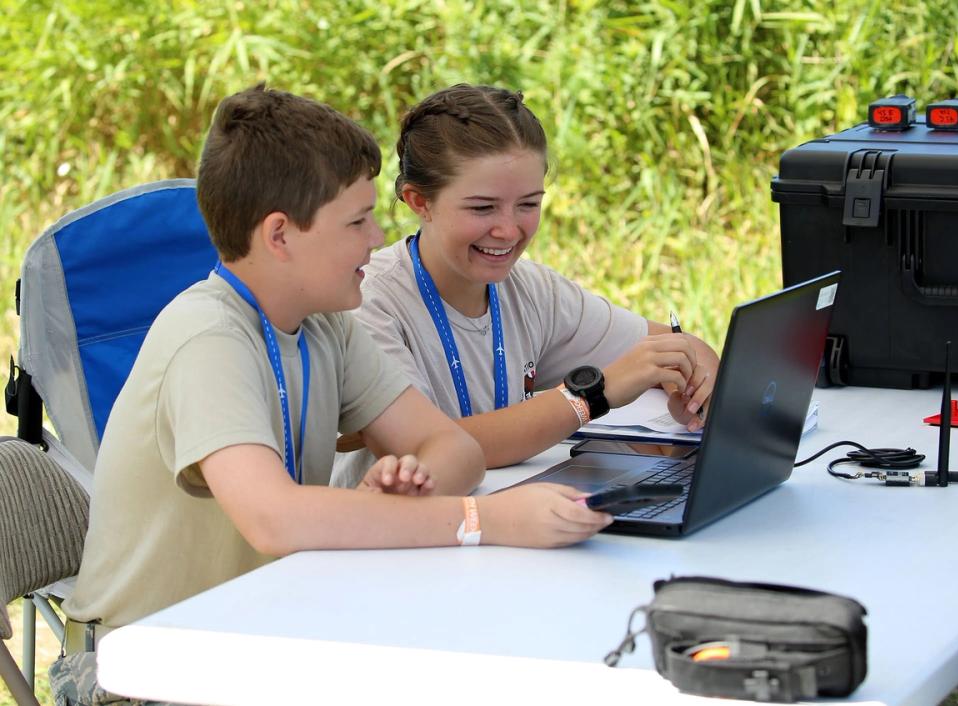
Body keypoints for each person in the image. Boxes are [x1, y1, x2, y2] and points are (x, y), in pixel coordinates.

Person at [51, 84, 611, 705]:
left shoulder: (327, 323)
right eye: (356, 221)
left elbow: (455, 449)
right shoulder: (207, 337)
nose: (377, 236)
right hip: (148, 671)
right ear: (280, 235)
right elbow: (275, 519)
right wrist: (486, 521)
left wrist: (412, 484)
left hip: (270, 630)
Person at [349, 84, 720, 469]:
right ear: (419, 201)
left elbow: (680, 346)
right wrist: (592, 395)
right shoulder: (368, 302)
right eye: (483, 208)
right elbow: (429, 451)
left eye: (528, 204)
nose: (508, 231)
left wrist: (692, 389)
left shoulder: (529, 289)